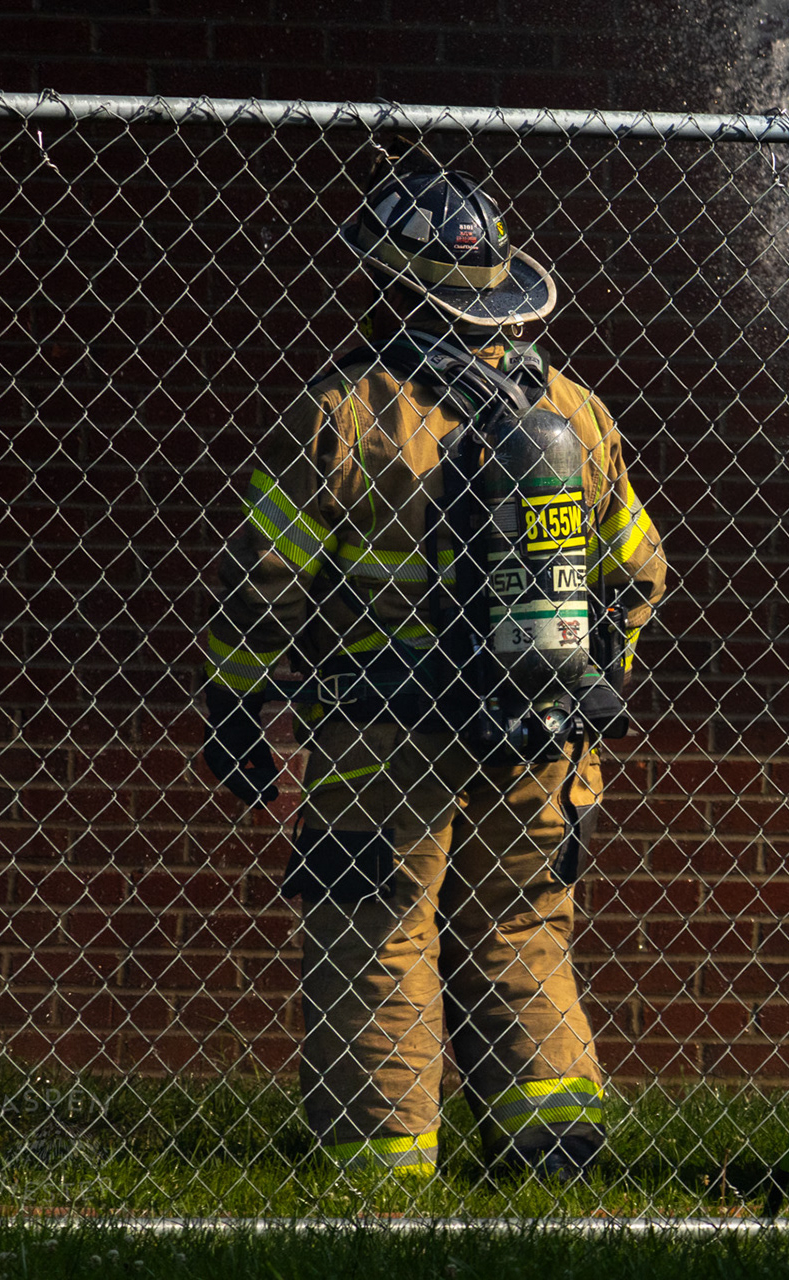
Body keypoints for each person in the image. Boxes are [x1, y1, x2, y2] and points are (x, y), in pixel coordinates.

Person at [197, 164, 666, 1181]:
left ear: (385, 286)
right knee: (524, 925)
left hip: (382, 737)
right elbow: (638, 565)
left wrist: (236, 699)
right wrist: (595, 677)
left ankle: (382, 1171)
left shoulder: (345, 412)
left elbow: (266, 577)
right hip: (544, 726)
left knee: (376, 934)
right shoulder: (577, 414)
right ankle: (555, 1145)